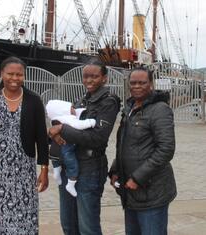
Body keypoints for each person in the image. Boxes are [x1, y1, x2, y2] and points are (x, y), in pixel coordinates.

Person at [0, 56, 49, 234]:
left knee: (26, 220)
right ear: (1, 74)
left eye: (19, 74)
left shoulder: (34, 101)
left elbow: (41, 138)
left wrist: (44, 169)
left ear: (24, 76)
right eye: (10, 74)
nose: (15, 78)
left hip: (24, 173)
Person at [48, 60, 120, 235]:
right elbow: (64, 124)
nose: (89, 80)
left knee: (87, 226)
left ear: (104, 78)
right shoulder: (82, 100)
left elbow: (97, 137)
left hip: (90, 167)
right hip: (69, 166)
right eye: (86, 76)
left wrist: (63, 130)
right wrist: (55, 132)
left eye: (94, 76)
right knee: (68, 224)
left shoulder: (109, 102)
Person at [109, 67, 177, 235]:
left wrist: (138, 178)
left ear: (151, 84)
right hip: (130, 192)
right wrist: (115, 170)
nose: (137, 86)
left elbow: (166, 149)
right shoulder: (130, 109)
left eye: (142, 82)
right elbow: (125, 145)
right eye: (133, 83)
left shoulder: (159, 109)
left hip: (151, 191)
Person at [46, 99, 96, 197]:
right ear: (63, 110)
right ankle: (71, 183)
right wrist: (91, 122)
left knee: (56, 162)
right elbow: (79, 125)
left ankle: (56, 173)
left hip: (55, 150)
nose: (74, 109)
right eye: (71, 107)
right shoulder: (67, 119)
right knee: (73, 165)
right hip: (66, 148)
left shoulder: (55, 119)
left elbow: (79, 111)